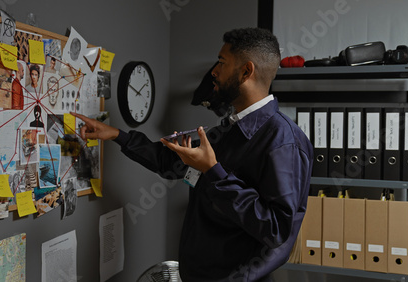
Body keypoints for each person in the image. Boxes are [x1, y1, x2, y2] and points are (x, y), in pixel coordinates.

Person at [72, 27, 313, 281]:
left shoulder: (284, 141)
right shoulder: (232, 128)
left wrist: (214, 171)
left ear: (246, 71)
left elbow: (276, 230)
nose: (214, 72)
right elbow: (172, 163)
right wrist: (117, 135)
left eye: (221, 62)